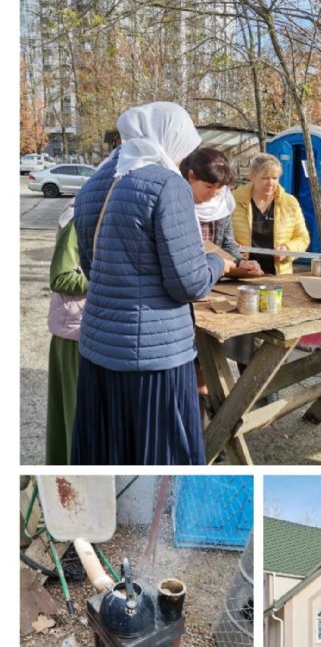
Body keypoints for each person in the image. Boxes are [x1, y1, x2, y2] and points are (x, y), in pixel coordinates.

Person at [71, 101, 233, 464]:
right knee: (161, 459)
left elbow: (91, 266)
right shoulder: (166, 184)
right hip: (154, 359)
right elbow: (189, 284)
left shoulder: (95, 183)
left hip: (99, 348)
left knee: (112, 456)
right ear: (170, 138)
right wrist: (216, 262)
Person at [180, 147, 262, 279]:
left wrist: (241, 262)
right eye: (209, 186)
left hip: (211, 278)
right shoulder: (175, 202)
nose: (214, 193)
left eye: (219, 187)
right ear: (191, 177)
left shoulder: (222, 203)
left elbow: (227, 243)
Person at [45, 204, 86, 463]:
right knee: (73, 415)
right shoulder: (77, 219)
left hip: (83, 328)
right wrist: (106, 278)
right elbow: (59, 277)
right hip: (73, 332)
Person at [231, 152, 309, 276]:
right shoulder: (233, 201)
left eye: (275, 178)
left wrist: (288, 249)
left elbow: (303, 237)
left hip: (279, 277)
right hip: (240, 275)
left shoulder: (290, 203)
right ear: (252, 177)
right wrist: (232, 246)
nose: (271, 183)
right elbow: (221, 236)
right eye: (265, 178)